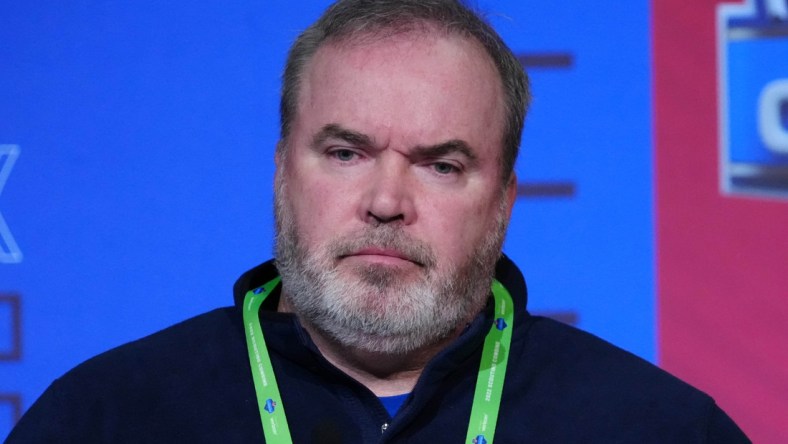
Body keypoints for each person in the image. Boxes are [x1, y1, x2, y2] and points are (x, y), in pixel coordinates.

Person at [6, 0, 749, 442]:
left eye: (441, 165)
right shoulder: (108, 420)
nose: (387, 201)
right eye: (346, 151)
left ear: (504, 203)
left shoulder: (653, 430)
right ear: (280, 172)